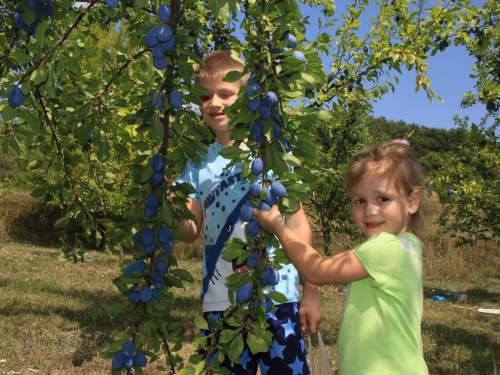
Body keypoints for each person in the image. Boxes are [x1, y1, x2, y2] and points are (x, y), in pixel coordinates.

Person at [174, 50, 322, 374]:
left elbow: (298, 225)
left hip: (277, 299)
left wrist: (310, 293)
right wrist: (168, 204)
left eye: (225, 93)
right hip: (220, 303)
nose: (214, 102)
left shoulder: (272, 153)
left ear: (247, 98)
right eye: (205, 96)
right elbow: (189, 231)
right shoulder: (196, 163)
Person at [253, 141, 430, 374]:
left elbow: (315, 270)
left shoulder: (387, 249)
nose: (370, 210)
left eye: (383, 199)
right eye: (360, 200)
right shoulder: (406, 247)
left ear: (412, 202)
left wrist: (279, 227)